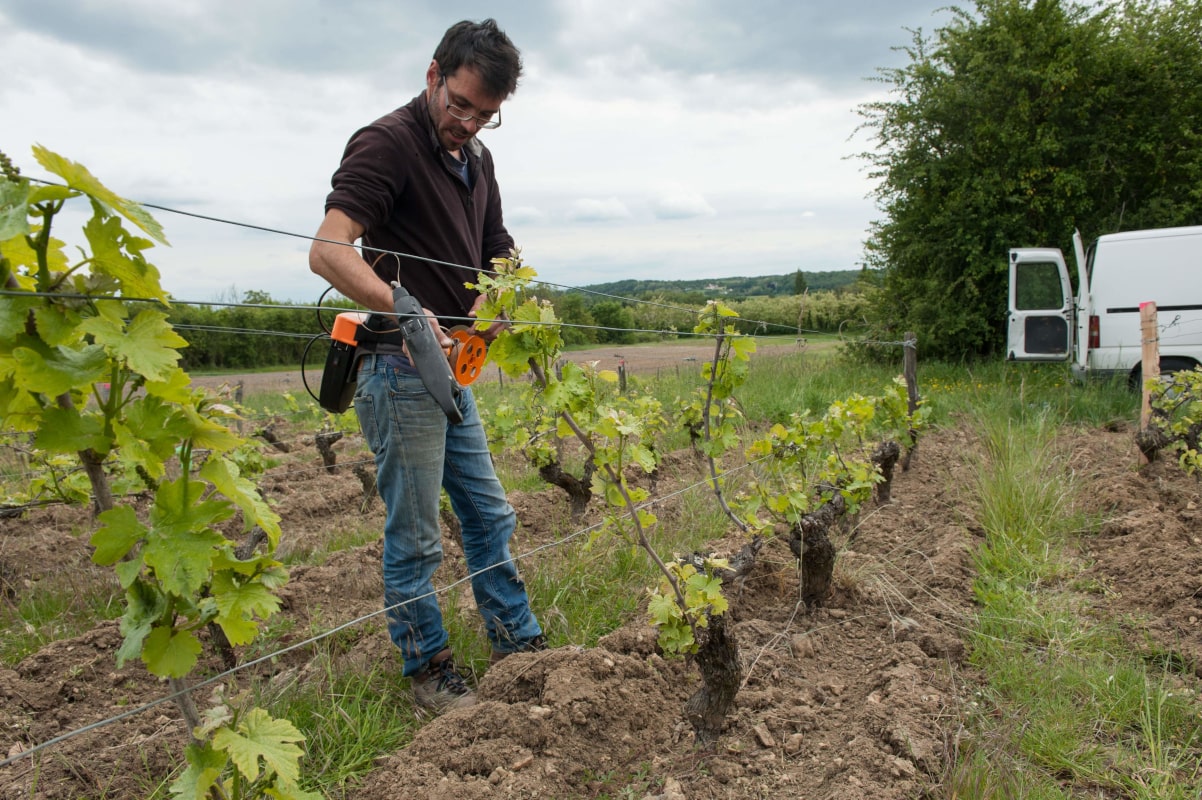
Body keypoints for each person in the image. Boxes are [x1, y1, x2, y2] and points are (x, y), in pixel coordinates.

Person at [308, 18, 544, 713]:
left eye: (486, 116)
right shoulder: (387, 143)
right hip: (397, 369)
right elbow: (328, 249)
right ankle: (427, 670)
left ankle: (516, 641)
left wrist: (502, 297)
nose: (468, 123)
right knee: (415, 535)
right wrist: (410, 312)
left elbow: (495, 245)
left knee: (488, 513)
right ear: (434, 74)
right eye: (460, 105)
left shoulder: (478, 161)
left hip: (453, 371)